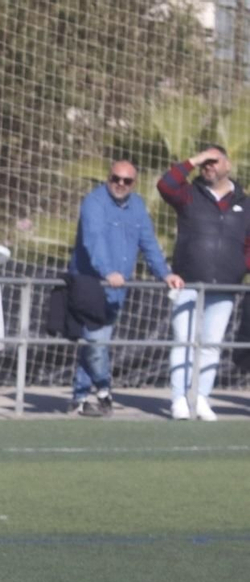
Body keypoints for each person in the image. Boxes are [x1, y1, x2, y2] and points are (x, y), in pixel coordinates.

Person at [63, 160, 183, 417]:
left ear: (134, 183)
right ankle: (104, 391)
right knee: (96, 342)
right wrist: (108, 271)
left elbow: (148, 242)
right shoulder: (94, 202)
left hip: (117, 290)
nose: (120, 184)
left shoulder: (137, 205)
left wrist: (165, 273)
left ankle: (79, 398)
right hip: (91, 285)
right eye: (115, 178)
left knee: (96, 344)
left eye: (126, 180)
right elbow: (93, 240)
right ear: (108, 178)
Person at [156, 145, 248, 421]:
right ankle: (179, 399)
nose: (209, 166)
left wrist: (240, 268)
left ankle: (201, 398)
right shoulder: (189, 194)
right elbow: (165, 185)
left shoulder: (244, 203)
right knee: (183, 342)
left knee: (210, 345)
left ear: (228, 165)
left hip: (224, 287)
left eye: (214, 161)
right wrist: (194, 160)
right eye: (205, 163)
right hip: (187, 283)